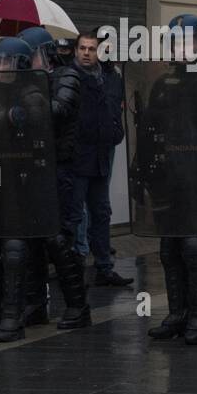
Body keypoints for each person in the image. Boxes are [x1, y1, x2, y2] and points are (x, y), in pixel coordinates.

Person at [0, 37, 89, 342]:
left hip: (41, 174)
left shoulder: (43, 87)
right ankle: (7, 310)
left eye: (5, 62)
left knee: (41, 241)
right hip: (0, 175)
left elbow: (47, 116)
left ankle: (58, 308)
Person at [140, 14, 197, 345]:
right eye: (175, 43)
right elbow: (150, 133)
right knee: (169, 249)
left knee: (195, 248)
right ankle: (177, 313)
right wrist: (145, 171)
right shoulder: (163, 86)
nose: (180, 49)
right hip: (172, 180)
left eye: (187, 43)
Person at [67, 31, 132, 287]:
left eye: (91, 49)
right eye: (82, 48)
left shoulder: (109, 78)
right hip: (77, 157)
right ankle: (73, 267)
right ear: (76, 50)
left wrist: (115, 133)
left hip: (100, 156)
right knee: (74, 215)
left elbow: (115, 108)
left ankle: (104, 266)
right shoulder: (70, 77)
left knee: (101, 212)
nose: (86, 52)